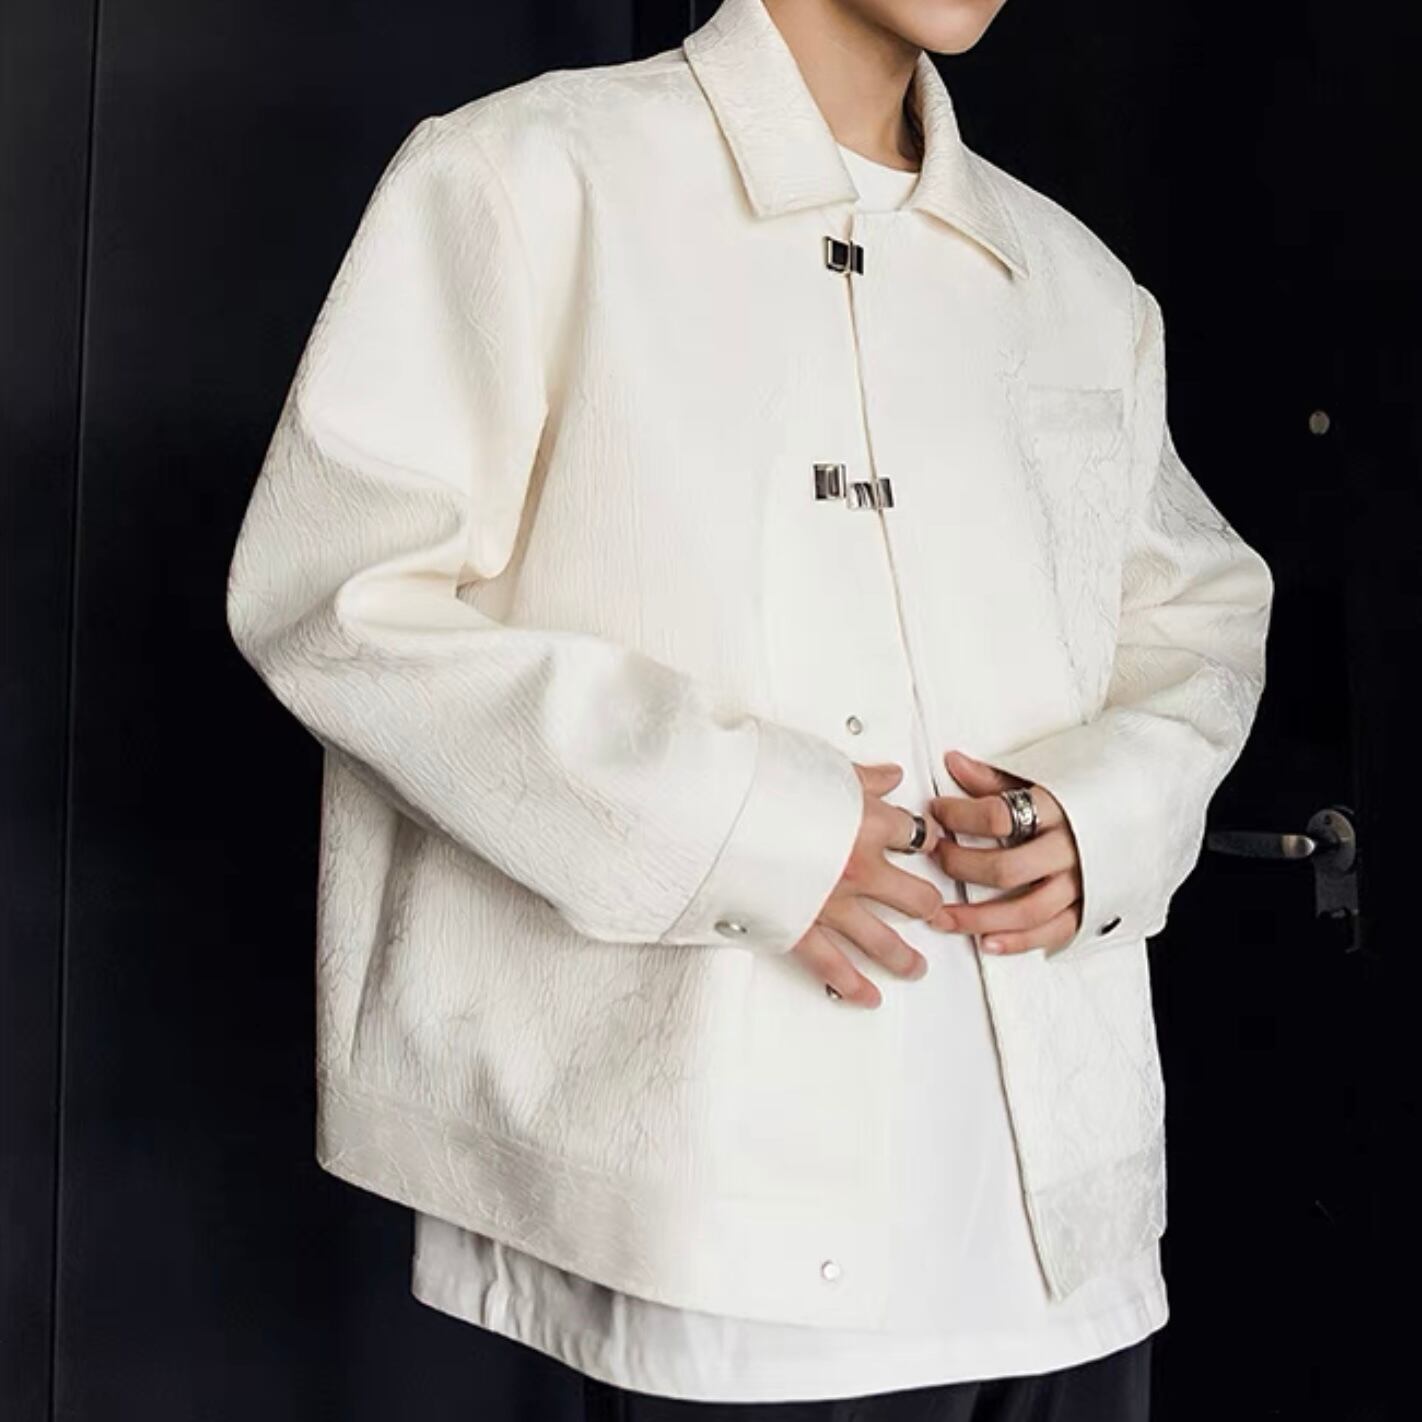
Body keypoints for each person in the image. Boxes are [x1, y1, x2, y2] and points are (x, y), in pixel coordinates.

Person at [224, 0, 1274, 1416]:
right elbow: (338, 593)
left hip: (1066, 1246)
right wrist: (734, 829)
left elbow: (1198, 615)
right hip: (710, 1233)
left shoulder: (1075, 281)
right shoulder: (525, 179)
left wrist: (1109, 816)